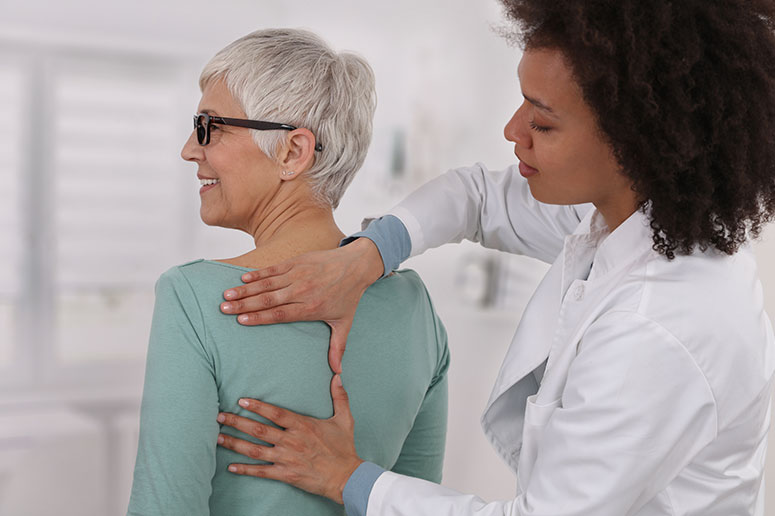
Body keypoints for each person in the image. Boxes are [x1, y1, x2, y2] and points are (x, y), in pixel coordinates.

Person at [211, 1, 775, 515]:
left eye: (543, 121)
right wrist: (368, 255)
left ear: (637, 139)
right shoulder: (628, 220)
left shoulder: (661, 324)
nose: (512, 131)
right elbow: (477, 197)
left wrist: (346, 477)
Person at [126, 28, 450, 516]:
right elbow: (415, 502)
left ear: (292, 152)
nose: (190, 149)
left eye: (209, 126)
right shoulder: (414, 306)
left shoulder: (195, 297)